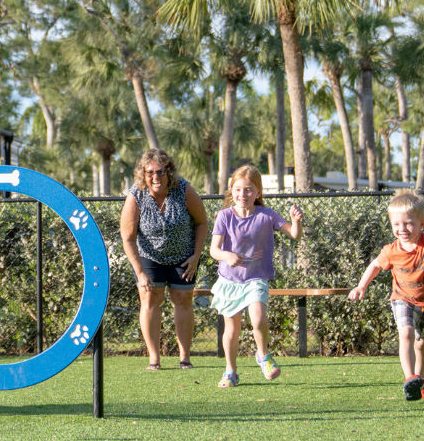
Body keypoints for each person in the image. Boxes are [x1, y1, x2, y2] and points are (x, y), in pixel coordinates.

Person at [348, 191, 424, 401]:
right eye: (396, 224)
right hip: (402, 298)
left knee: (421, 343)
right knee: (406, 333)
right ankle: (410, 380)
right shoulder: (391, 250)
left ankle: (421, 377)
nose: (402, 229)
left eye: (408, 223)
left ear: (422, 223)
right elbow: (375, 265)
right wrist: (361, 286)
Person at [208, 165, 303, 387]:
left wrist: (296, 221)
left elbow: (294, 235)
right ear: (232, 190)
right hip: (229, 280)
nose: (243, 195)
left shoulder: (267, 215)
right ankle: (230, 371)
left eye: (249, 190)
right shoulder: (224, 216)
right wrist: (227, 255)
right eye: (239, 189)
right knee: (231, 330)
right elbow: (214, 250)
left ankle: (263, 356)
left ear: (258, 192)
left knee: (259, 318)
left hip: (255, 278)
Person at [120, 148, 209, 370]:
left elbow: (202, 222)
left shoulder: (184, 190)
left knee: (183, 299)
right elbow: (128, 238)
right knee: (150, 299)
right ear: (143, 174)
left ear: (168, 172)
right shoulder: (136, 195)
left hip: (183, 256)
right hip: (149, 256)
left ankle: (185, 357)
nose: (155, 177)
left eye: (160, 171)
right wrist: (140, 272)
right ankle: (154, 358)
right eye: (150, 172)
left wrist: (196, 256)